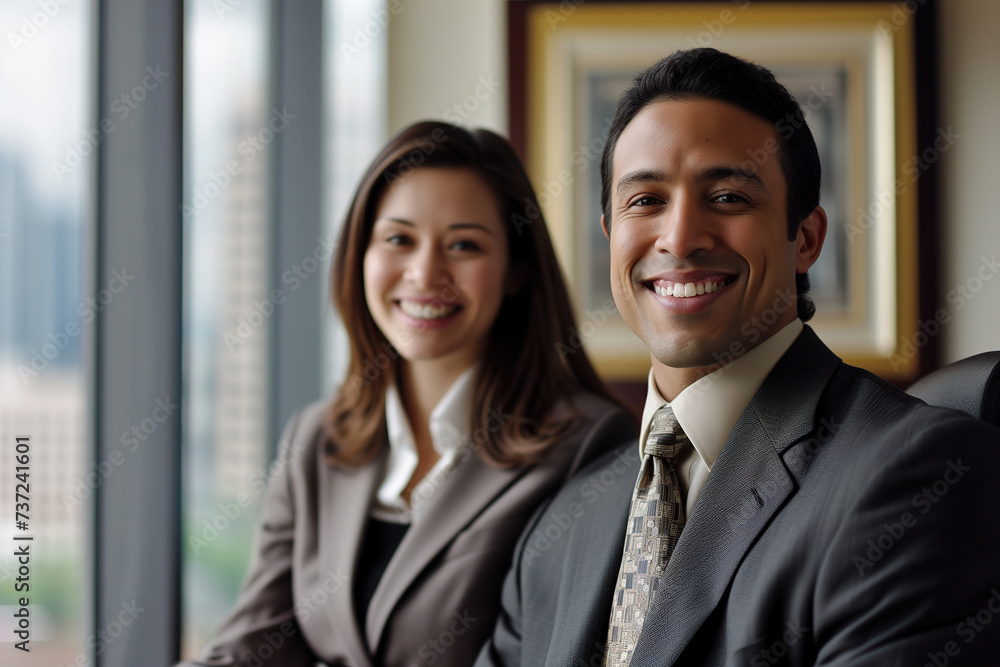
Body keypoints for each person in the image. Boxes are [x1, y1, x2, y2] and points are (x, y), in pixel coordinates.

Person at [475, 48, 1000, 667]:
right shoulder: (558, 530)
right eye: (644, 201)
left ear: (804, 238)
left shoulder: (921, 474)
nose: (678, 237)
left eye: (727, 197)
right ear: (611, 235)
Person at [178, 121, 635, 667]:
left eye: (464, 245)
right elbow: (254, 643)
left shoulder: (592, 445)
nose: (424, 273)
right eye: (398, 239)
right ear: (361, 256)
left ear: (516, 271)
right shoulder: (316, 440)